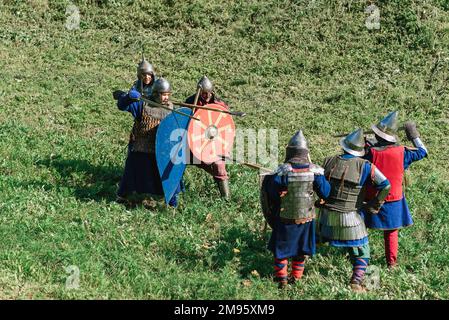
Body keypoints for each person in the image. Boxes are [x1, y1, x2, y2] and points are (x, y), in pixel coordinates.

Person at [317, 128, 391, 292]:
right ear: (360, 151)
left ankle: (291, 272)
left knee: (311, 244)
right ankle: (356, 282)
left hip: (325, 217)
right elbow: (386, 185)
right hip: (351, 218)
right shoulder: (365, 166)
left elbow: (318, 185)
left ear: (344, 146)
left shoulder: (327, 161)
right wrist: (375, 203)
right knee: (363, 251)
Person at [261, 130, 330, 288]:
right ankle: (296, 278)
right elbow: (326, 192)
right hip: (306, 218)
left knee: (282, 248)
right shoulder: (315, 172)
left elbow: (271, 192)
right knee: (301, 248)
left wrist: (281, 193)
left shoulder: (283, 171)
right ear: (306, 153)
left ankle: (282, 279)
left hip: (285, 217)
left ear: (290, 152)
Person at [362, 111, 428, 268]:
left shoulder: (370, 153)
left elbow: (357, 158)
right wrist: (413, 135)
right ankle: (391, 263)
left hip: (372, 197)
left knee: (360, 229)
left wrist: (362, 144)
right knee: (391, 232)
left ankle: (361, 261)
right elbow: (423, 151)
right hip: (394, 198)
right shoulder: (402, 152)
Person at [116, 77, 181, 208]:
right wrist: (128, 97)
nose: (166, 98)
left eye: (168, 95)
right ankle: (122, 196)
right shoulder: (142, 106)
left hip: (162, 151)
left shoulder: (172, 109)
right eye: (163, 95)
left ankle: (172, 201)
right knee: (131, 172)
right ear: (156, 94)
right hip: (142, 147)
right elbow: (121, 105)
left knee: (169, 175)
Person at [185, 76, 231, 198]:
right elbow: (183, 122)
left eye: (207, 93)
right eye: (202, 93)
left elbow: (225, 124)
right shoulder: (191, 102)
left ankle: (226, 198)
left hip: (214, 143)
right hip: (195, 142)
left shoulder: (219, 104)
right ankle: (178, 191)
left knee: (219, 166)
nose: (205, 95)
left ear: (212, 92)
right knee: (179, 160)